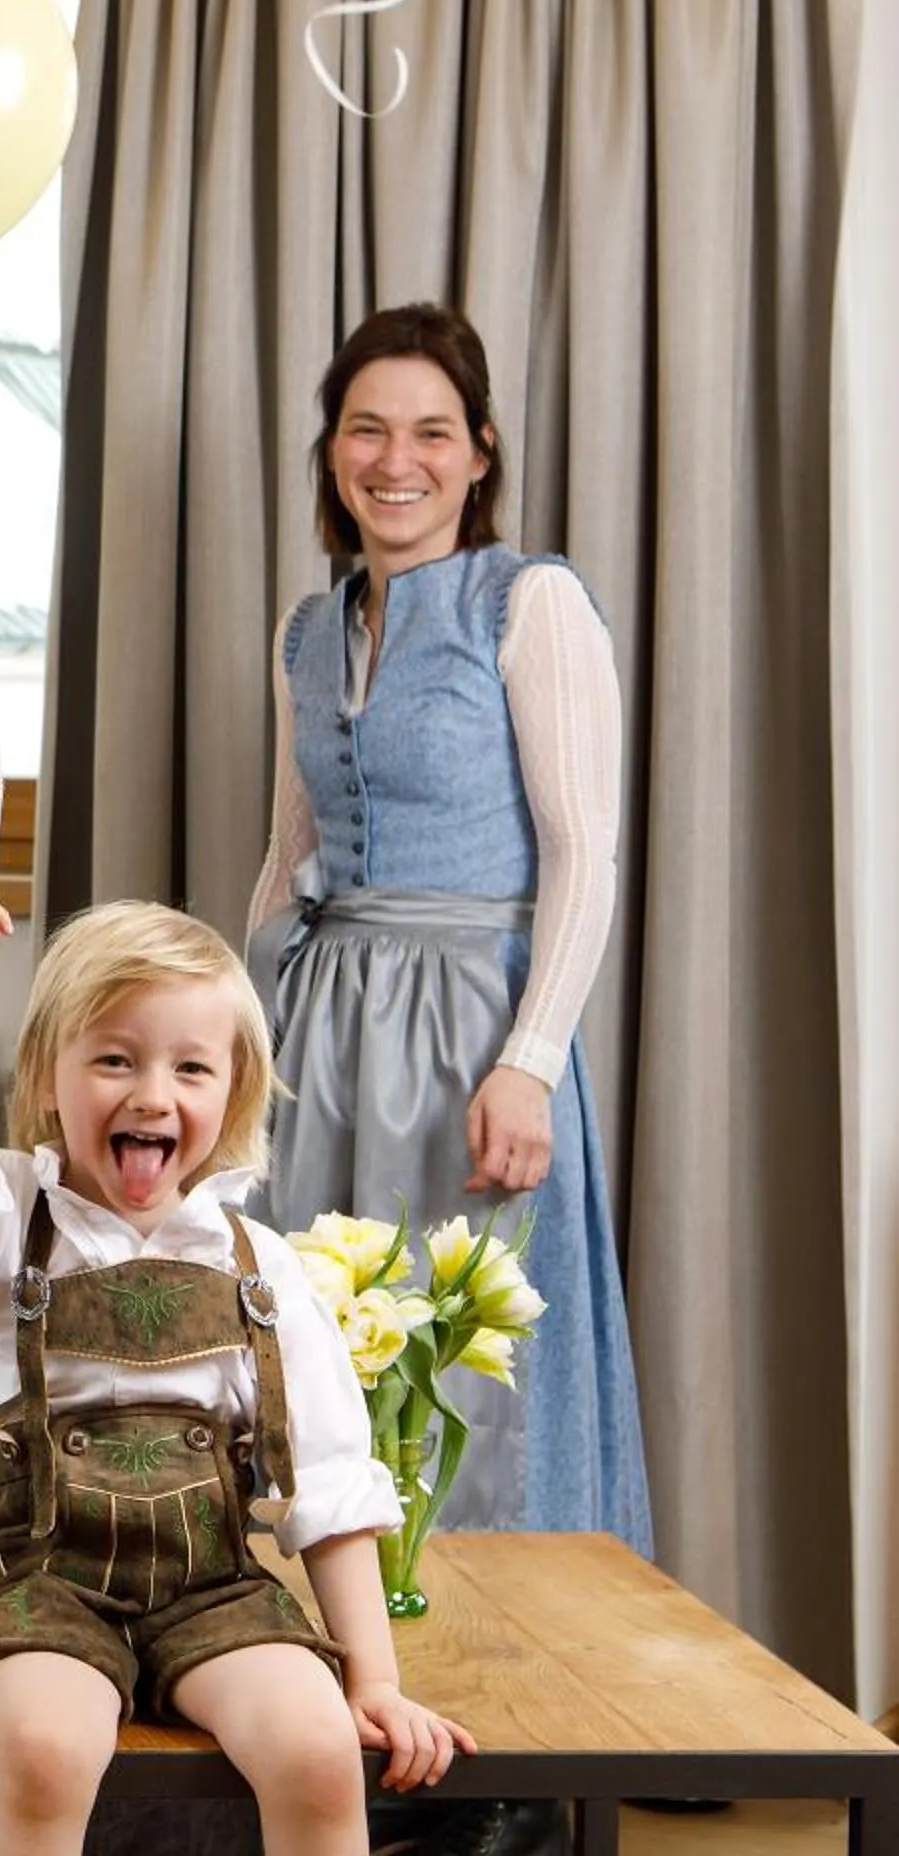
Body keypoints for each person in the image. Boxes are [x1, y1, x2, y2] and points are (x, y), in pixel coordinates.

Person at [0, 896, 471, 1856]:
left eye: (191, 1067)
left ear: (234, 1094)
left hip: (211, 1588)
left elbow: (332, 1486)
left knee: (318, 1749)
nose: (151, 1094)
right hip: (46, 1583)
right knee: (47, 1748)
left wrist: (373, 1682)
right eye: (115, 1058)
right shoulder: (2, 1218)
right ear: (50, 1074)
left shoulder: (258, 1264)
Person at [246, 301, 653, 1561]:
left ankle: (501, 1722)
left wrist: (529, 1058)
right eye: (365, 428)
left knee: (469, 1370)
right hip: (321, 1039)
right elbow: (286, 859)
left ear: (480, 452)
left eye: (431, 430)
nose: (395, 459)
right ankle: (328, 1694)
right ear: (331, 453)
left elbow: (586, 848)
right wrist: (229, 1058)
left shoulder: (525, 604)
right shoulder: (308, 633)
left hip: (476, 1031)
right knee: (316, 1357)